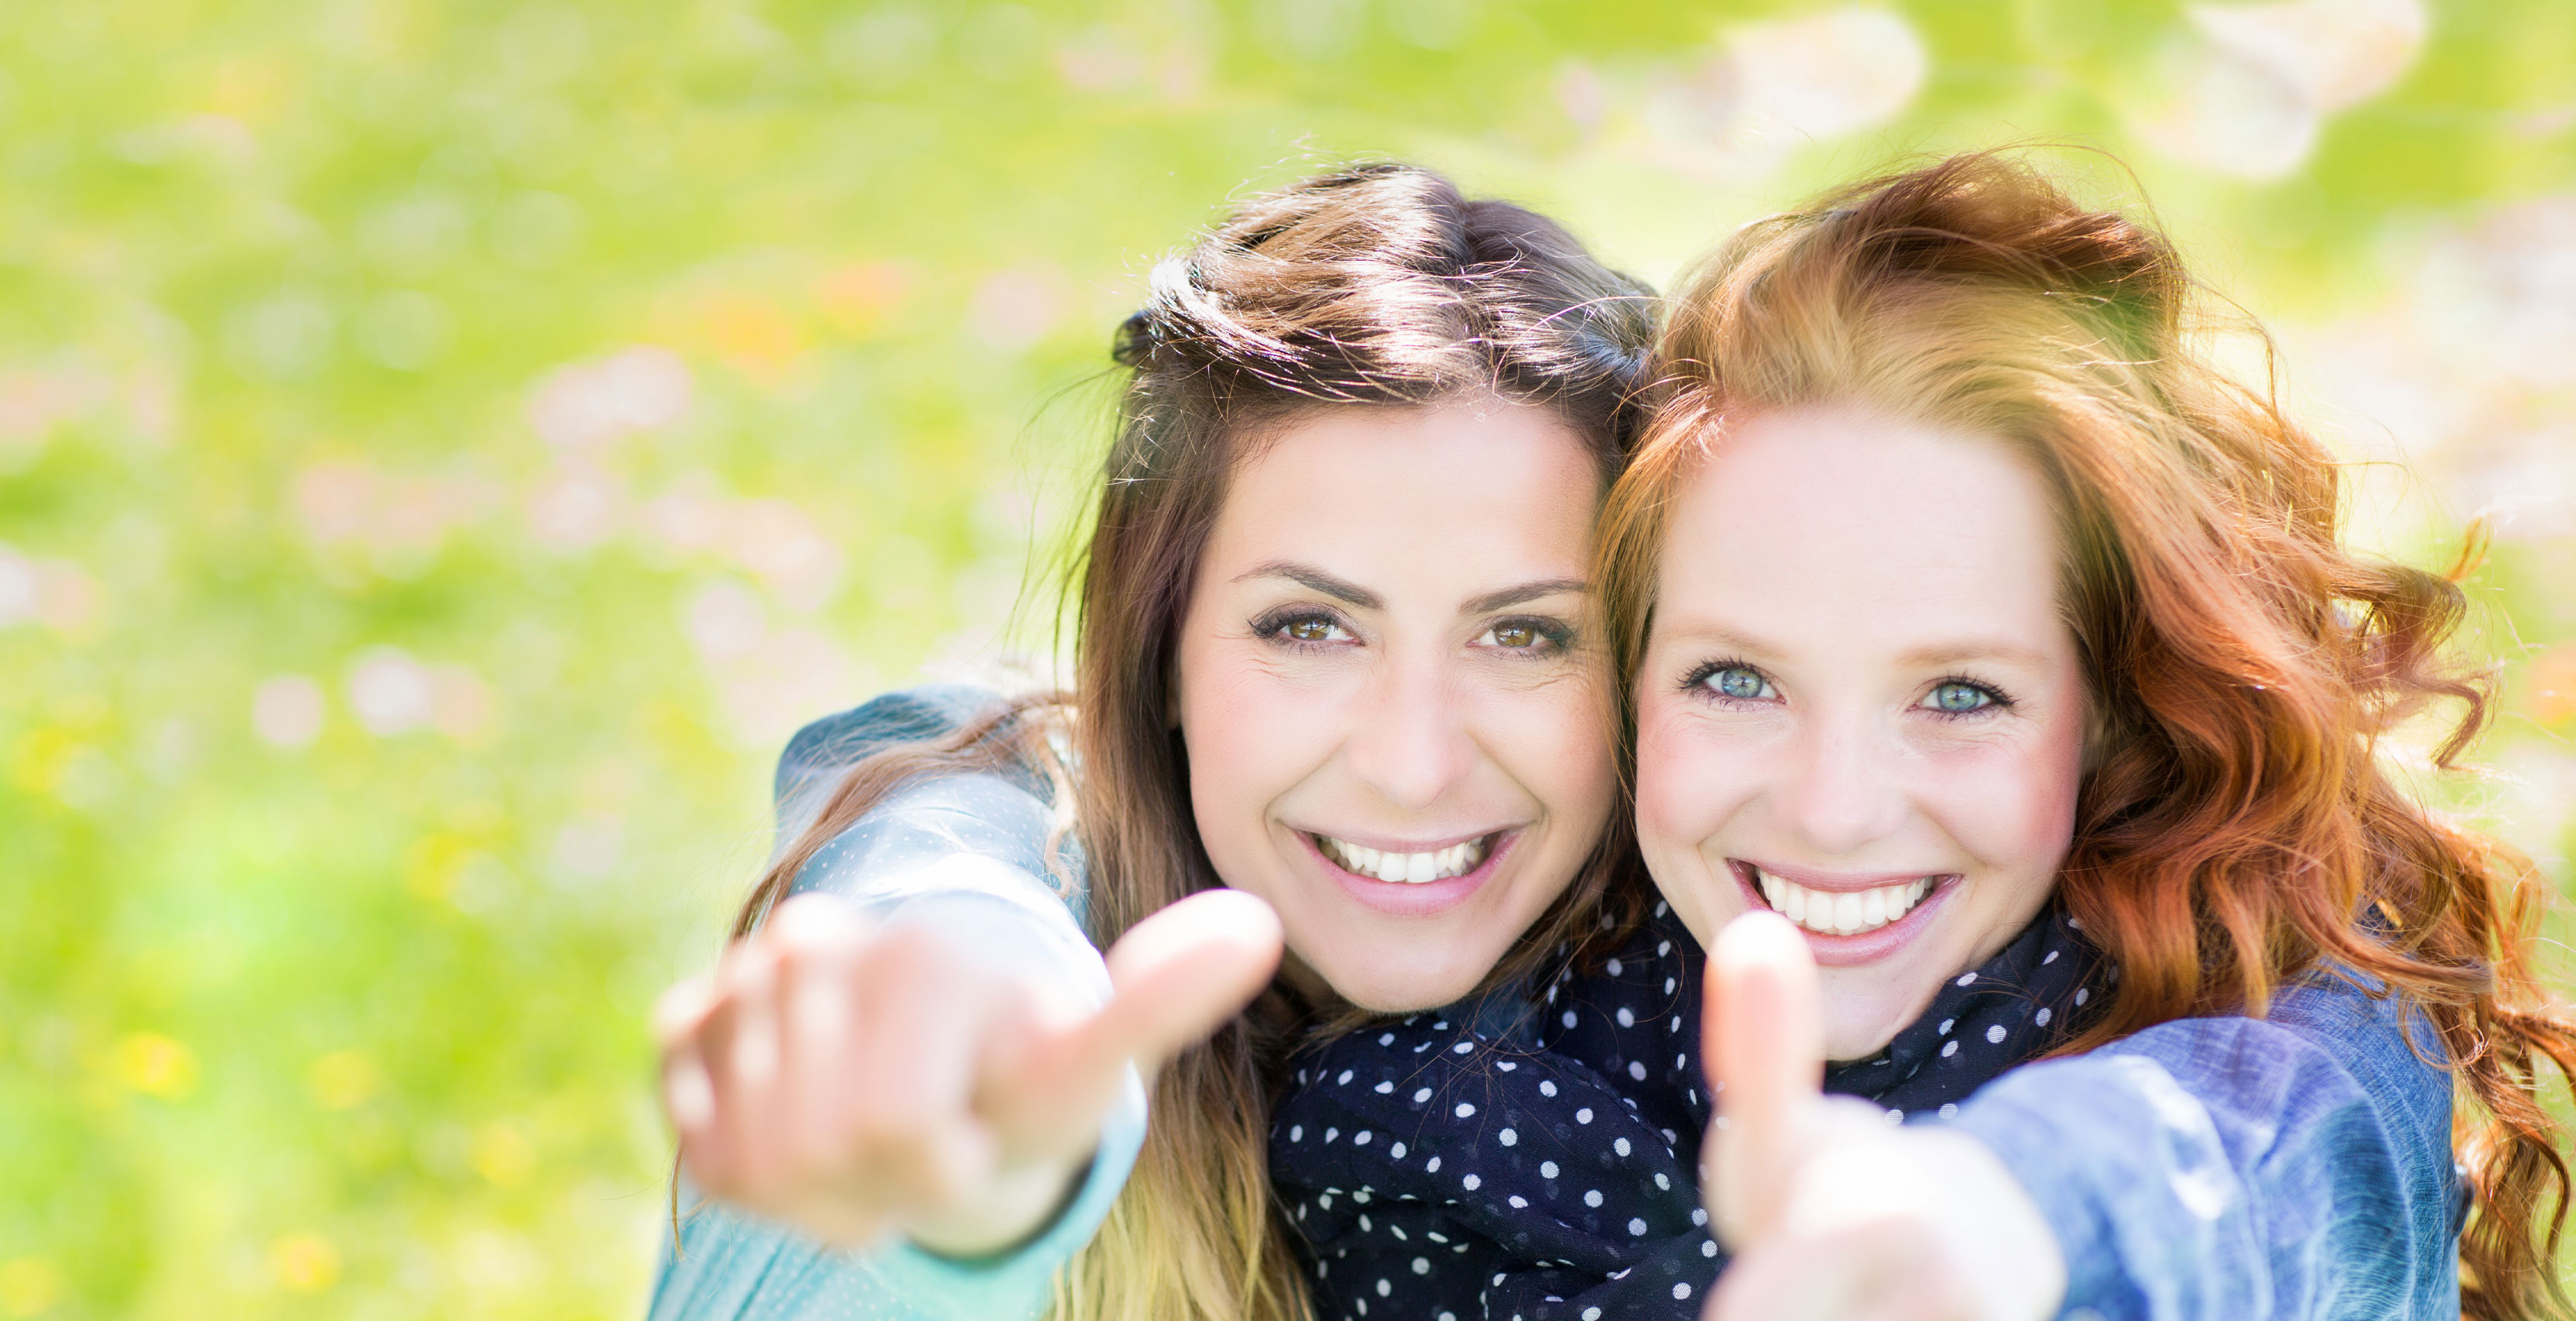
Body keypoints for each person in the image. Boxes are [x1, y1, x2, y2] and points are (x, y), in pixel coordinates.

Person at [1269, 153, 2576, 1321]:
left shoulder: (2289, 1024)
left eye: (1958, 694)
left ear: (2108, 713)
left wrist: (1995, 1221)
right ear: (1628, 675)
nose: (1835, 809)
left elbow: (2235, 1166)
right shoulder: (1408, 1117)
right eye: (1735, 679)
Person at [649, 162, 1660, 1320]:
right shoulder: (995, 832)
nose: (1412, 762)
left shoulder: (1705, 958)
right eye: (1311, 626)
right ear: (1159, 646)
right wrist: (979, 1151)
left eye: (1525, 633)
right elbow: (941, 893)